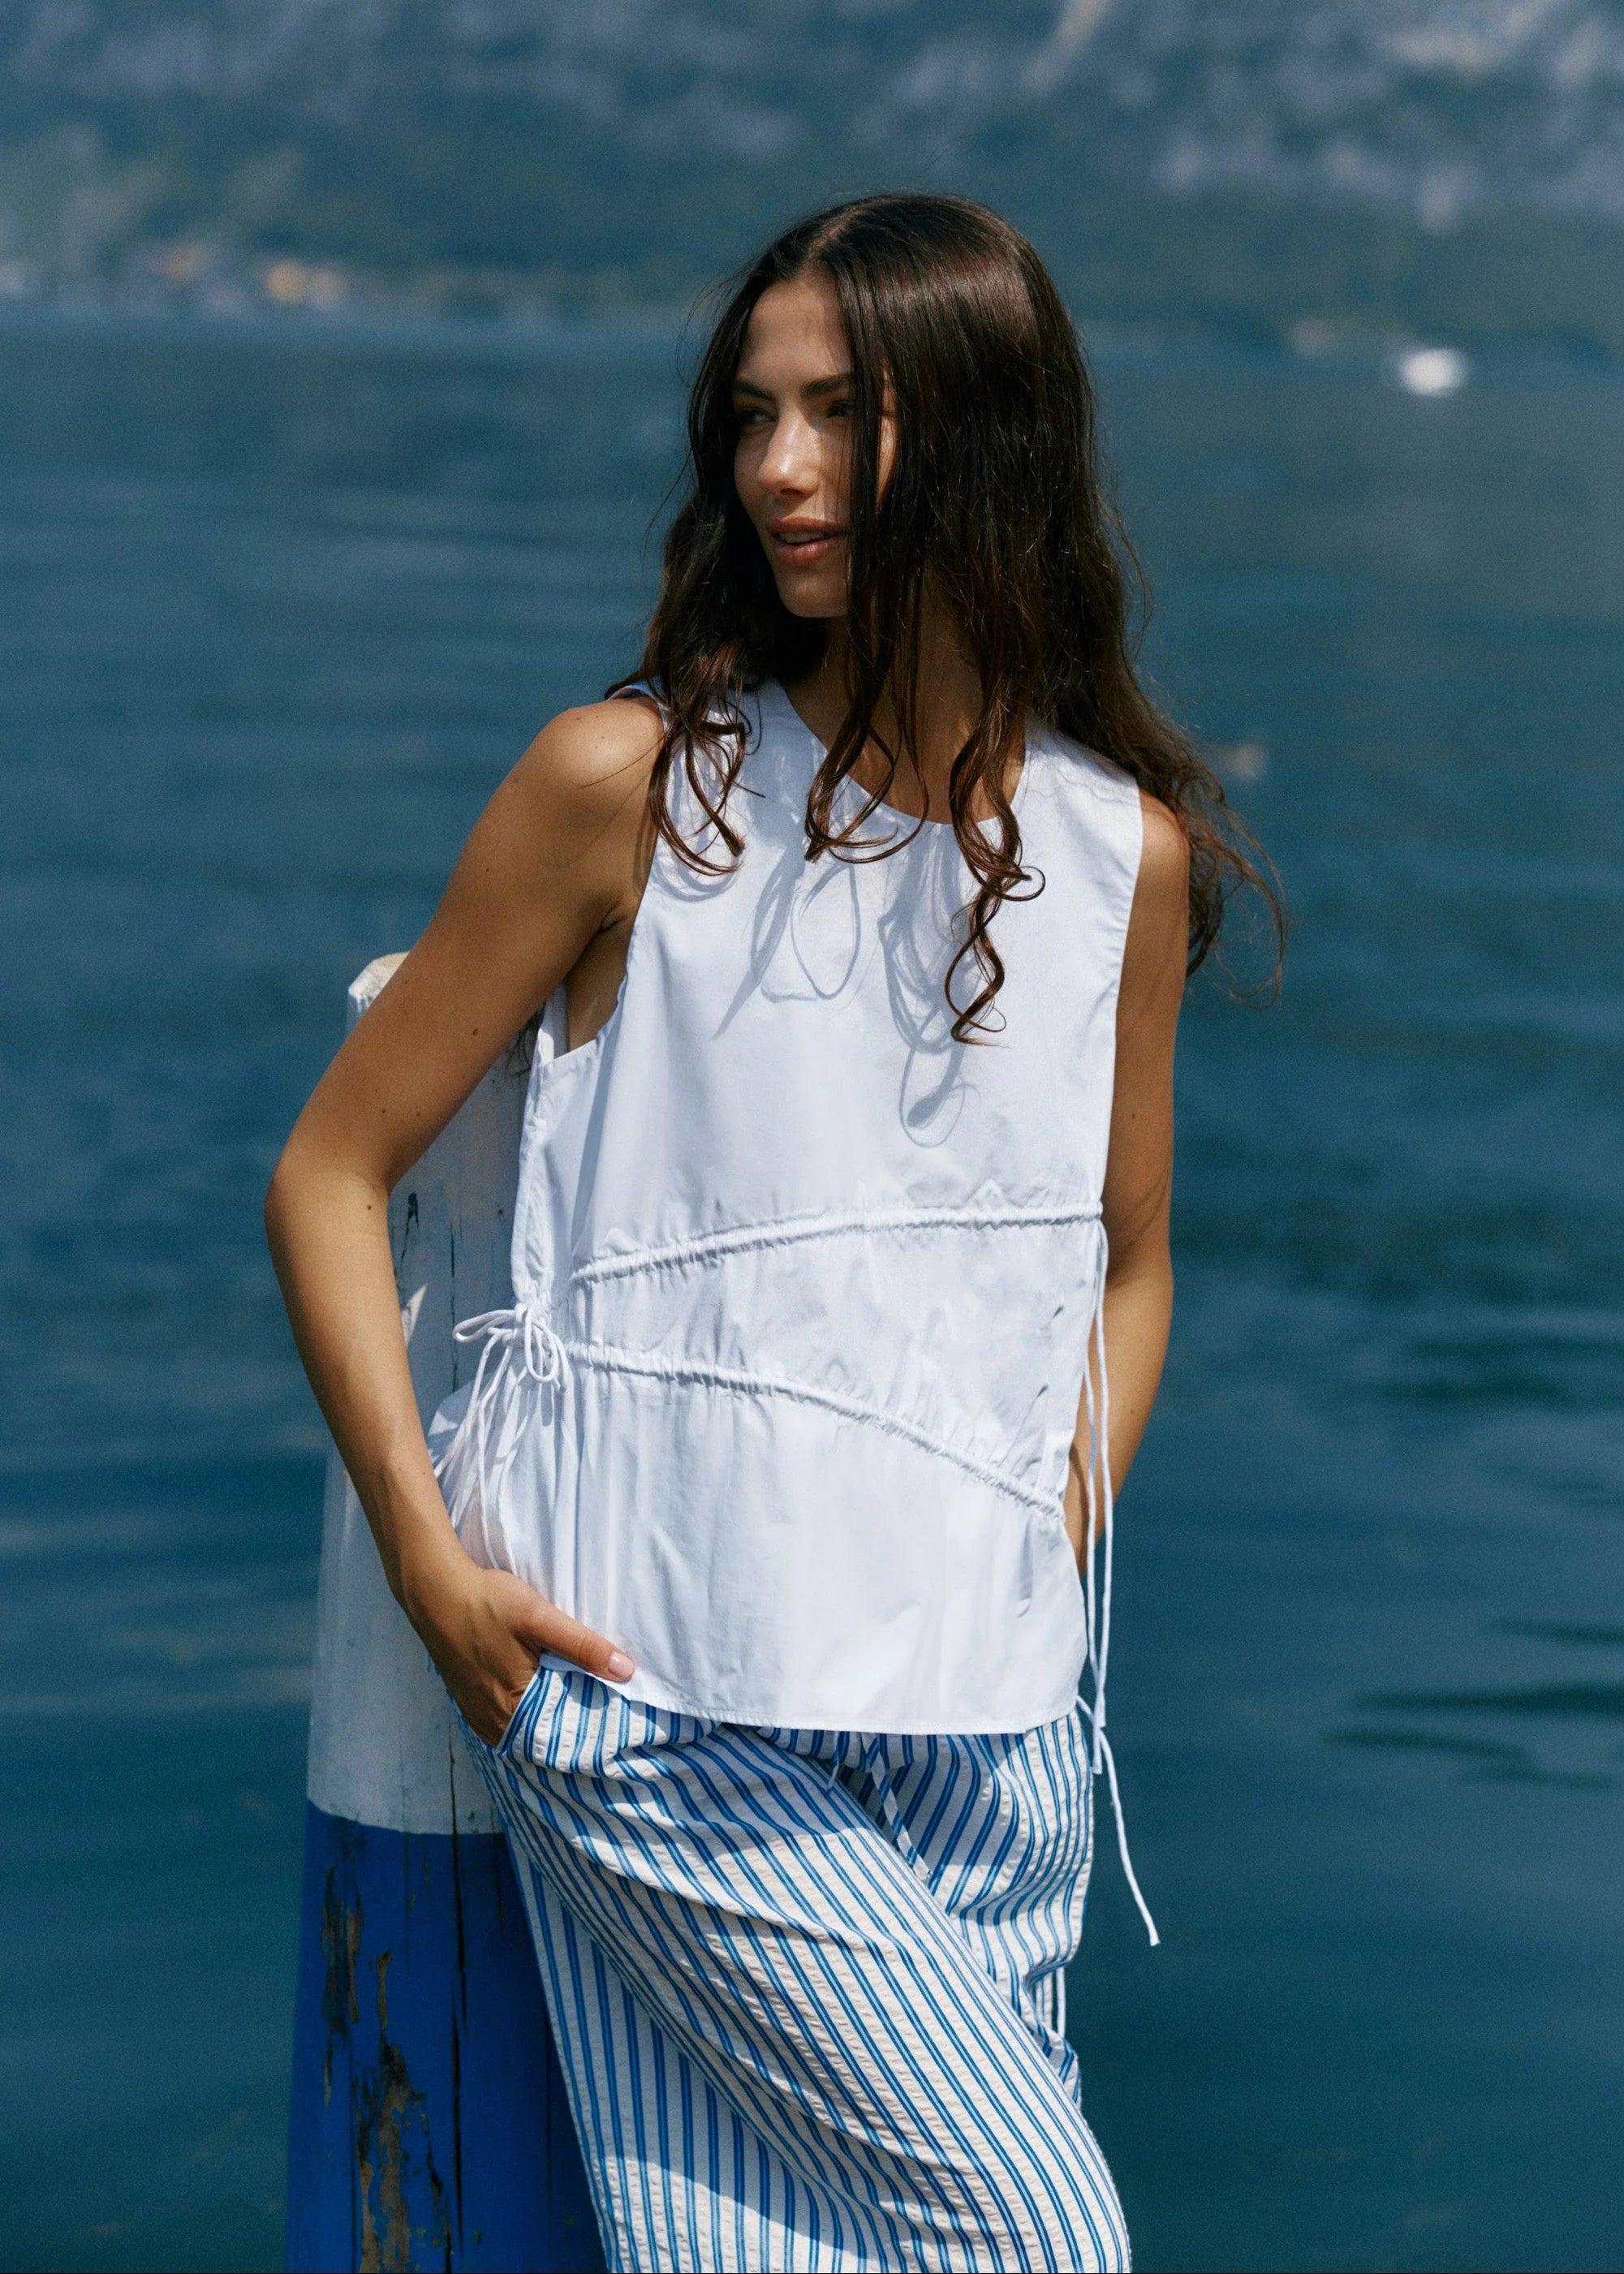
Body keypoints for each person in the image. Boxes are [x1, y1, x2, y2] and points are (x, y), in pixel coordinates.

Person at [266, 192, 1277, 2273]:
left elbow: (1124, 1259)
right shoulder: (627, 788)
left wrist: (1047, 1526)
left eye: (840, 413)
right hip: (663, 1699)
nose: (776, 469)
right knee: (1040, 2238)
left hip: (991, 1732)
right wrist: (428, 1560)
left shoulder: (1123, 866)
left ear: (987, 435)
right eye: (751, 413)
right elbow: (330, 1173)